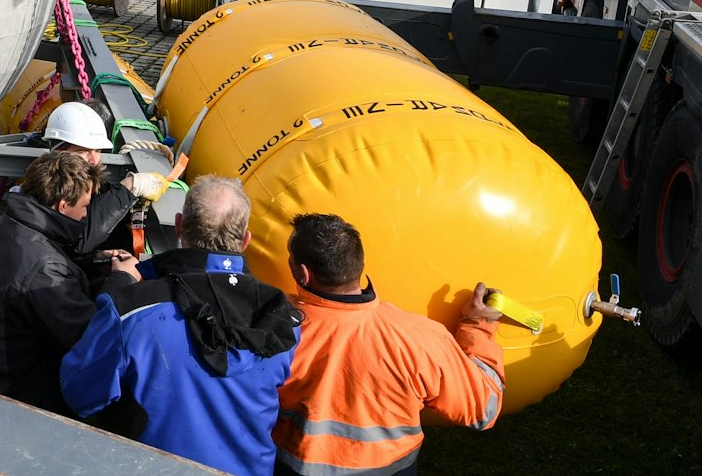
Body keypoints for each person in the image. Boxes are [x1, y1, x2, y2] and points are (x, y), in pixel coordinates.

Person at [62, 176, 300, 476]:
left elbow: (80, 393)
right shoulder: (284, 323)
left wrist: (119, 284)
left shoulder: (131, 310)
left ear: (178, 225)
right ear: (245, 241)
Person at [273, 213, 505, 476]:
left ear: (303, 273)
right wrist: (479, 326)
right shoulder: (421, 337)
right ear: (357, 264)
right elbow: (483, 408)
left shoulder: (273, 329)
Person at [0, 151, 142, 415]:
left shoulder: (8, 225)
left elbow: (32, 275)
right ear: (63, 205)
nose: (87, 215)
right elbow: (90, 336)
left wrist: (92, 261)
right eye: (85, 206)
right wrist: (122, 278)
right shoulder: (45, 269)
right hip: (25, 391)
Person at [35, 103, 168, 253]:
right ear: (59, 151)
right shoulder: (49, 188)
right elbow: (75, 241)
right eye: (84, 151)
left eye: (97, 150)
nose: (94, 160)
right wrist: (129, 187)